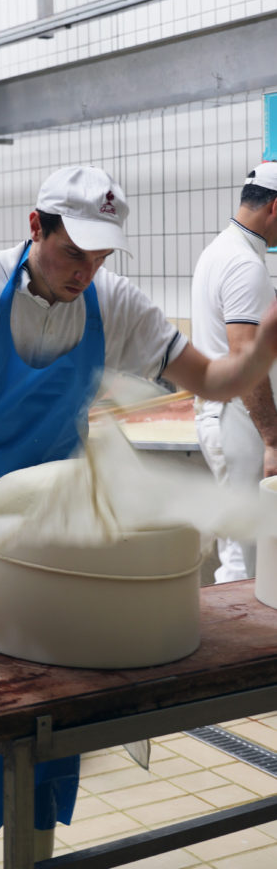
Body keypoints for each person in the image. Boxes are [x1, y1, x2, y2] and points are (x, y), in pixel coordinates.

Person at [0, 164, 277, 869]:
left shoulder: (114, 302)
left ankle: (33, 847)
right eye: (72, 253)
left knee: (50, 695)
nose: (84, 271)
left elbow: (216, 380)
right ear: (36, 227)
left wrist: (264, 342)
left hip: (53, 526)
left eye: (99, 256)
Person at [192, 160, 277, 582]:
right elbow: (246, 357)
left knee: (241, 545)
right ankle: (246, 645)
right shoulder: (245, 264)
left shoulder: (219, 250)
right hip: (237, 423)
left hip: (223, 415)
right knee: (249, 558)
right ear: (276, 208)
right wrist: (273, 439)